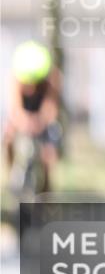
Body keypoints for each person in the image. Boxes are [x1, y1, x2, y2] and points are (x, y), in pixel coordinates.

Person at [3, 40, 62, 194]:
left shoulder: (52, 77)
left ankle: (46, 186)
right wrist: (24, 122)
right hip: (23, 116)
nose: (31, 87)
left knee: (49, 149)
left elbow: (51, 106)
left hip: (43, 118)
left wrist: (41, 121)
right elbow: (14, 109)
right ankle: (12, 175)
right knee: (7, 135)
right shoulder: (15, 77)